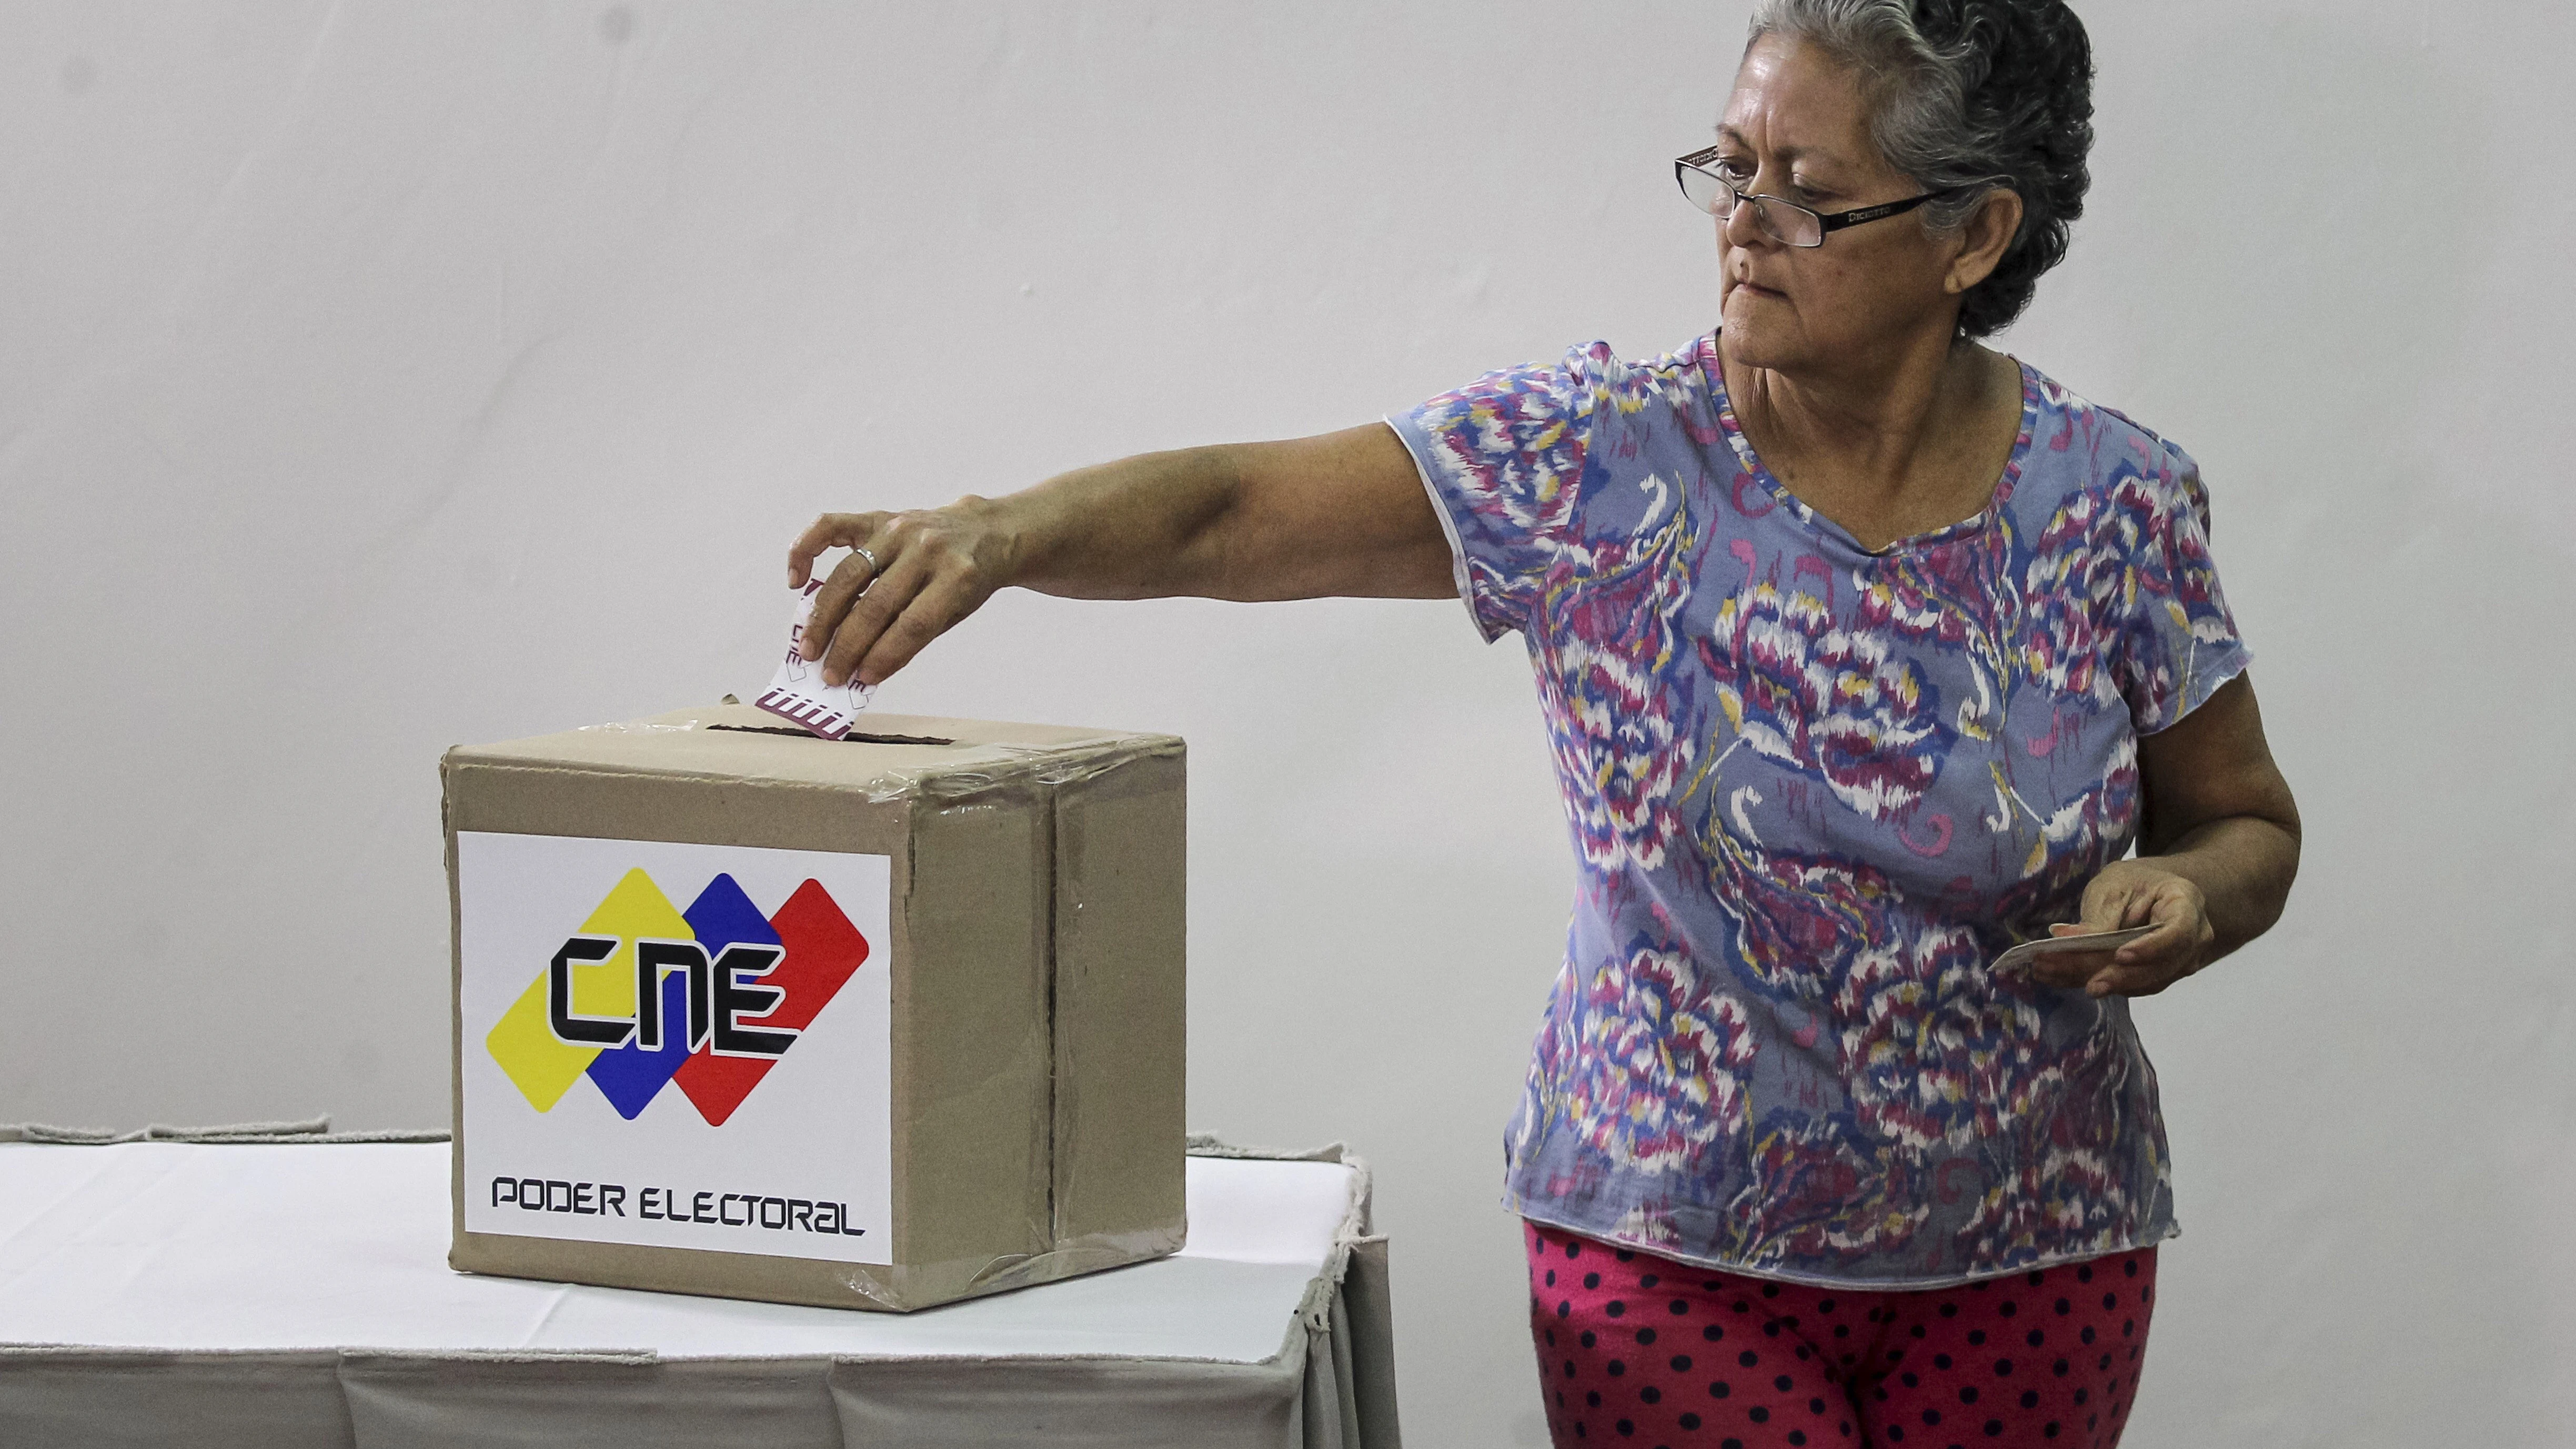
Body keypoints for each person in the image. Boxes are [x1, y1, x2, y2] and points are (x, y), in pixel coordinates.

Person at [785, 1, 2300, 1443]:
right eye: (1733, 165)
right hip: (1669, 1247)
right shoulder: (1602, 465)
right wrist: (997, 532)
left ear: (1974, 234)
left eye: (1808, 192)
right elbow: (1239, 512)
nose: (1741, 217)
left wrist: (2190, 896)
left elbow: (2244, 821)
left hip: (2038, 1251)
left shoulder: (2114, 501)